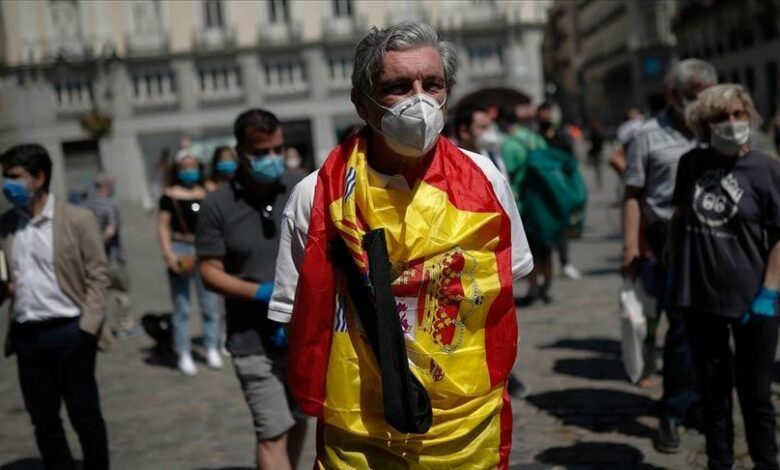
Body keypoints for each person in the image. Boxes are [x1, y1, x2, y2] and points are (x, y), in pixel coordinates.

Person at [269, 21, 533, 468]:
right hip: (361, 430)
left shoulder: (485, 180)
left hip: (468, 426)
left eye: (432, 84)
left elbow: (503, 292)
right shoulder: (315, 199)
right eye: (398, 86)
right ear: (362, 103)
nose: (420, 100)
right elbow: (298, 318)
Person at [670, 84, 780, 469]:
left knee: (757, 398)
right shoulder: (691, 164)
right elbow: (680, 217)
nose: (732, 123)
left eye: (738, 114)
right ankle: (720, 464)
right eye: (721, 117)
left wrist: (770, 290)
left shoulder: (767, 170)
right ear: (705, 124)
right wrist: (674, 270)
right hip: (702, 299)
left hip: (754, 299)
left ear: (749, 116)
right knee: (713, 397)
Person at [196, 109, 307, 469]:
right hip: (251, 339)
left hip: (301, 333)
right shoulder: (217, 205)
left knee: (299, 417)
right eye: (262, 152)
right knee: (272, 430)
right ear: (240, 151)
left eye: (278, 149)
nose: (272, 159)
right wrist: (262, 294)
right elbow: (209, 272)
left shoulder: (301, 186)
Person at [622, 58, 718, 453]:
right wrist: (630, 247)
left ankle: (701, 403)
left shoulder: (714, 130)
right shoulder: (647, 135)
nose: (700, 105)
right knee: (679, 331)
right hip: (668, 244)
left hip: (715, 242)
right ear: (672, 96)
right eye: (694, 98)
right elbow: (634, 195)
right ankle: (673, 411)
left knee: (710, 332)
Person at [0, 144, 110, 469]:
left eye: (14, 177)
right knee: (43, 420)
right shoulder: (5, 226)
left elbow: (98, 275)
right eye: (5, 177)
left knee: (84, 415)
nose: (7, 184)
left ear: (39, 177)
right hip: (27, 336)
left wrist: (87, 329)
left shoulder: (77, 219)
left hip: (70, 332)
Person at [157, 148, 221, 376]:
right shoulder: (170, 195)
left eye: (193, 166)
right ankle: (183, 351)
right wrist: (168, 254)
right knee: (182, 305)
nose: (189, 171)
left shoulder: (207, 191)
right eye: (184, 167)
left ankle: (212, 346)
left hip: (205, 250)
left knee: (210, 302)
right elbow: (163, 226)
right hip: (180, 248)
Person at [86, 173, 138, 339]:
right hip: (112, 257)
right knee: (121, 294)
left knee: (98, 295)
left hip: (92, 259)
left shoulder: (87, 204)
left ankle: (98, 329)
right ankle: (125, 328)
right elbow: (110, 230)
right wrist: (99, 246)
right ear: (107, 185)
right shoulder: (110, 205)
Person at [536, 102, 583, 282]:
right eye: (543, 114)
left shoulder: (562, 137)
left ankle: (565, 263)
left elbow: (570, 161)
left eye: (549, 113)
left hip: (560, 188)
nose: (546, 117)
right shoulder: (536, 137)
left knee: (563, 227)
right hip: (542, 190)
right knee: (543, 229)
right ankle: (543, 268)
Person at [454, 105, 508, 178]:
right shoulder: (455, 163)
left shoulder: (492, 155)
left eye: (490, 126)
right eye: (483, 127)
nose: (490, 132)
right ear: (464, 132)